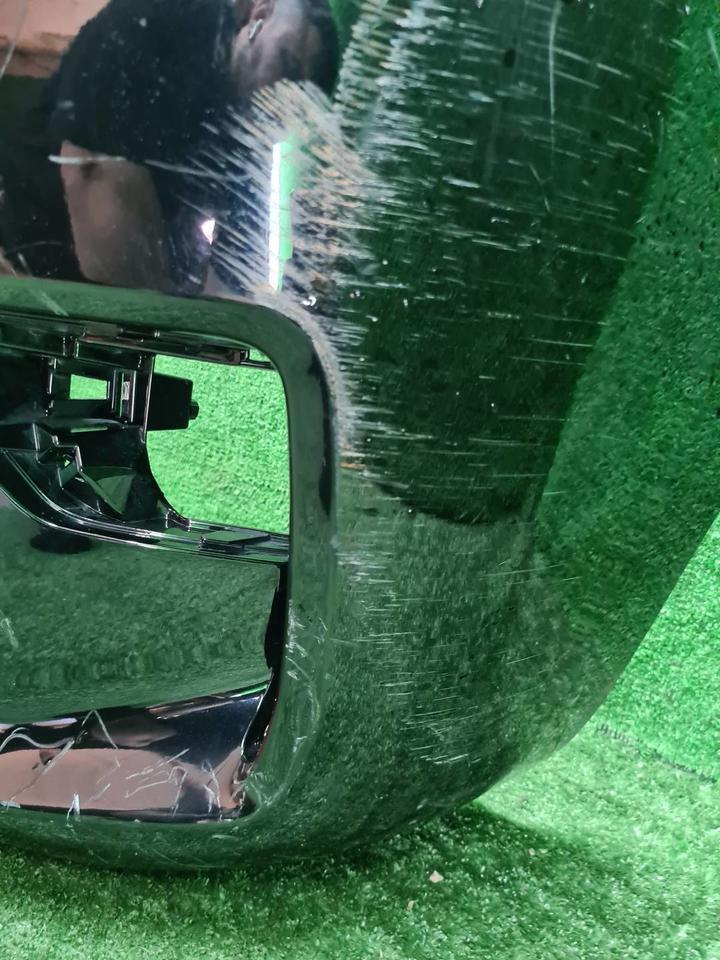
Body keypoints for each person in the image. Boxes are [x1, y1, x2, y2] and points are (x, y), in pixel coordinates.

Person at [0, 0, 339, 293]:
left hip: (82, 297)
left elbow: (231, 273)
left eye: (298, 100)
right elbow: (93, 178)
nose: (282, 98)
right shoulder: (172, 17)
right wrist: (174, 326)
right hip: (24, 269)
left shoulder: (246, 137)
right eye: (285, 63)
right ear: (260, 14)